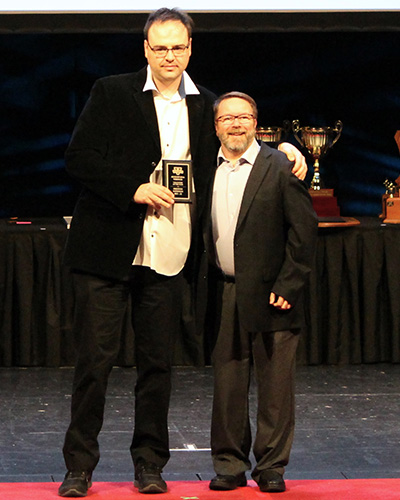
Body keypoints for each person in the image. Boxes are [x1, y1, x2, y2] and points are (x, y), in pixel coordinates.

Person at [58, 8, 307, 497]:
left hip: (169, 258)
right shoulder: (110, 92)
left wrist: (288, 153)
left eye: (178, 47)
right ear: (145, 50)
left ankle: (150, 464)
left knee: (158, 368)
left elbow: (238, 149)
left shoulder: (206, 107)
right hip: (108, 254)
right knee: (94, 364)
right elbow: (79, 157)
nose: (169, 56)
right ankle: (79, 466)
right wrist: (133, 189)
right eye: (160, 47)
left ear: (190, 49)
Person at [204, 92, 318, 493]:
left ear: (256, 122)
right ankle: (229, 464)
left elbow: (303, 233)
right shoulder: (206, 168)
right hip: (224, 293)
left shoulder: (280, 165)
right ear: (215, 126)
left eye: (243, 117)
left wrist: (289, 284)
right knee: (228, 385)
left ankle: (271, 466)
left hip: (274, 294)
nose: (235, 125)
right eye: (226, 119)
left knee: (274, 387)